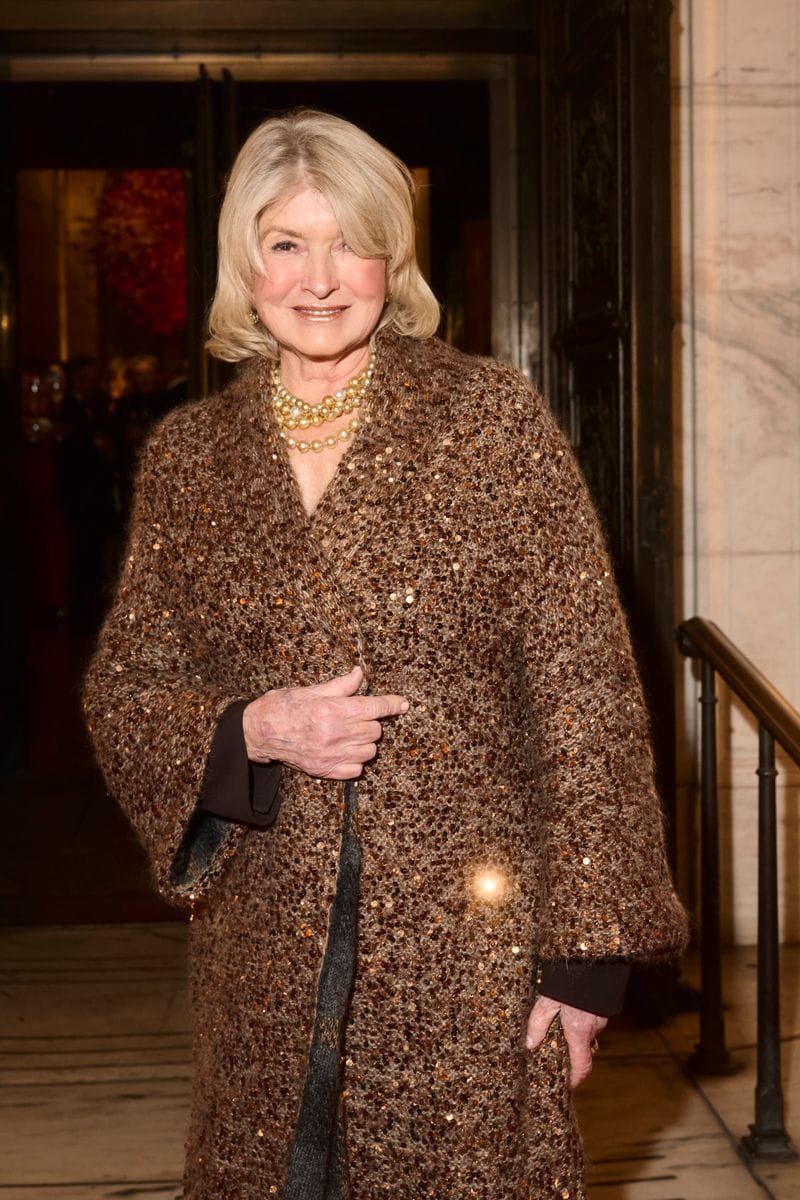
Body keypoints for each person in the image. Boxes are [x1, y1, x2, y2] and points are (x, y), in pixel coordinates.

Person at [83, 110, 688, 1200]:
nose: (319, 280)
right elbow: (127, 688)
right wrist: (251, 728)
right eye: (285, 244)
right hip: (267, 941)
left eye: (350, 243)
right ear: (244, 262)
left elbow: (582, 690)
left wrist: (588, 957)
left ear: (391, 260)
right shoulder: (191, 458)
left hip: (469, 943)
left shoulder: (488, 421)